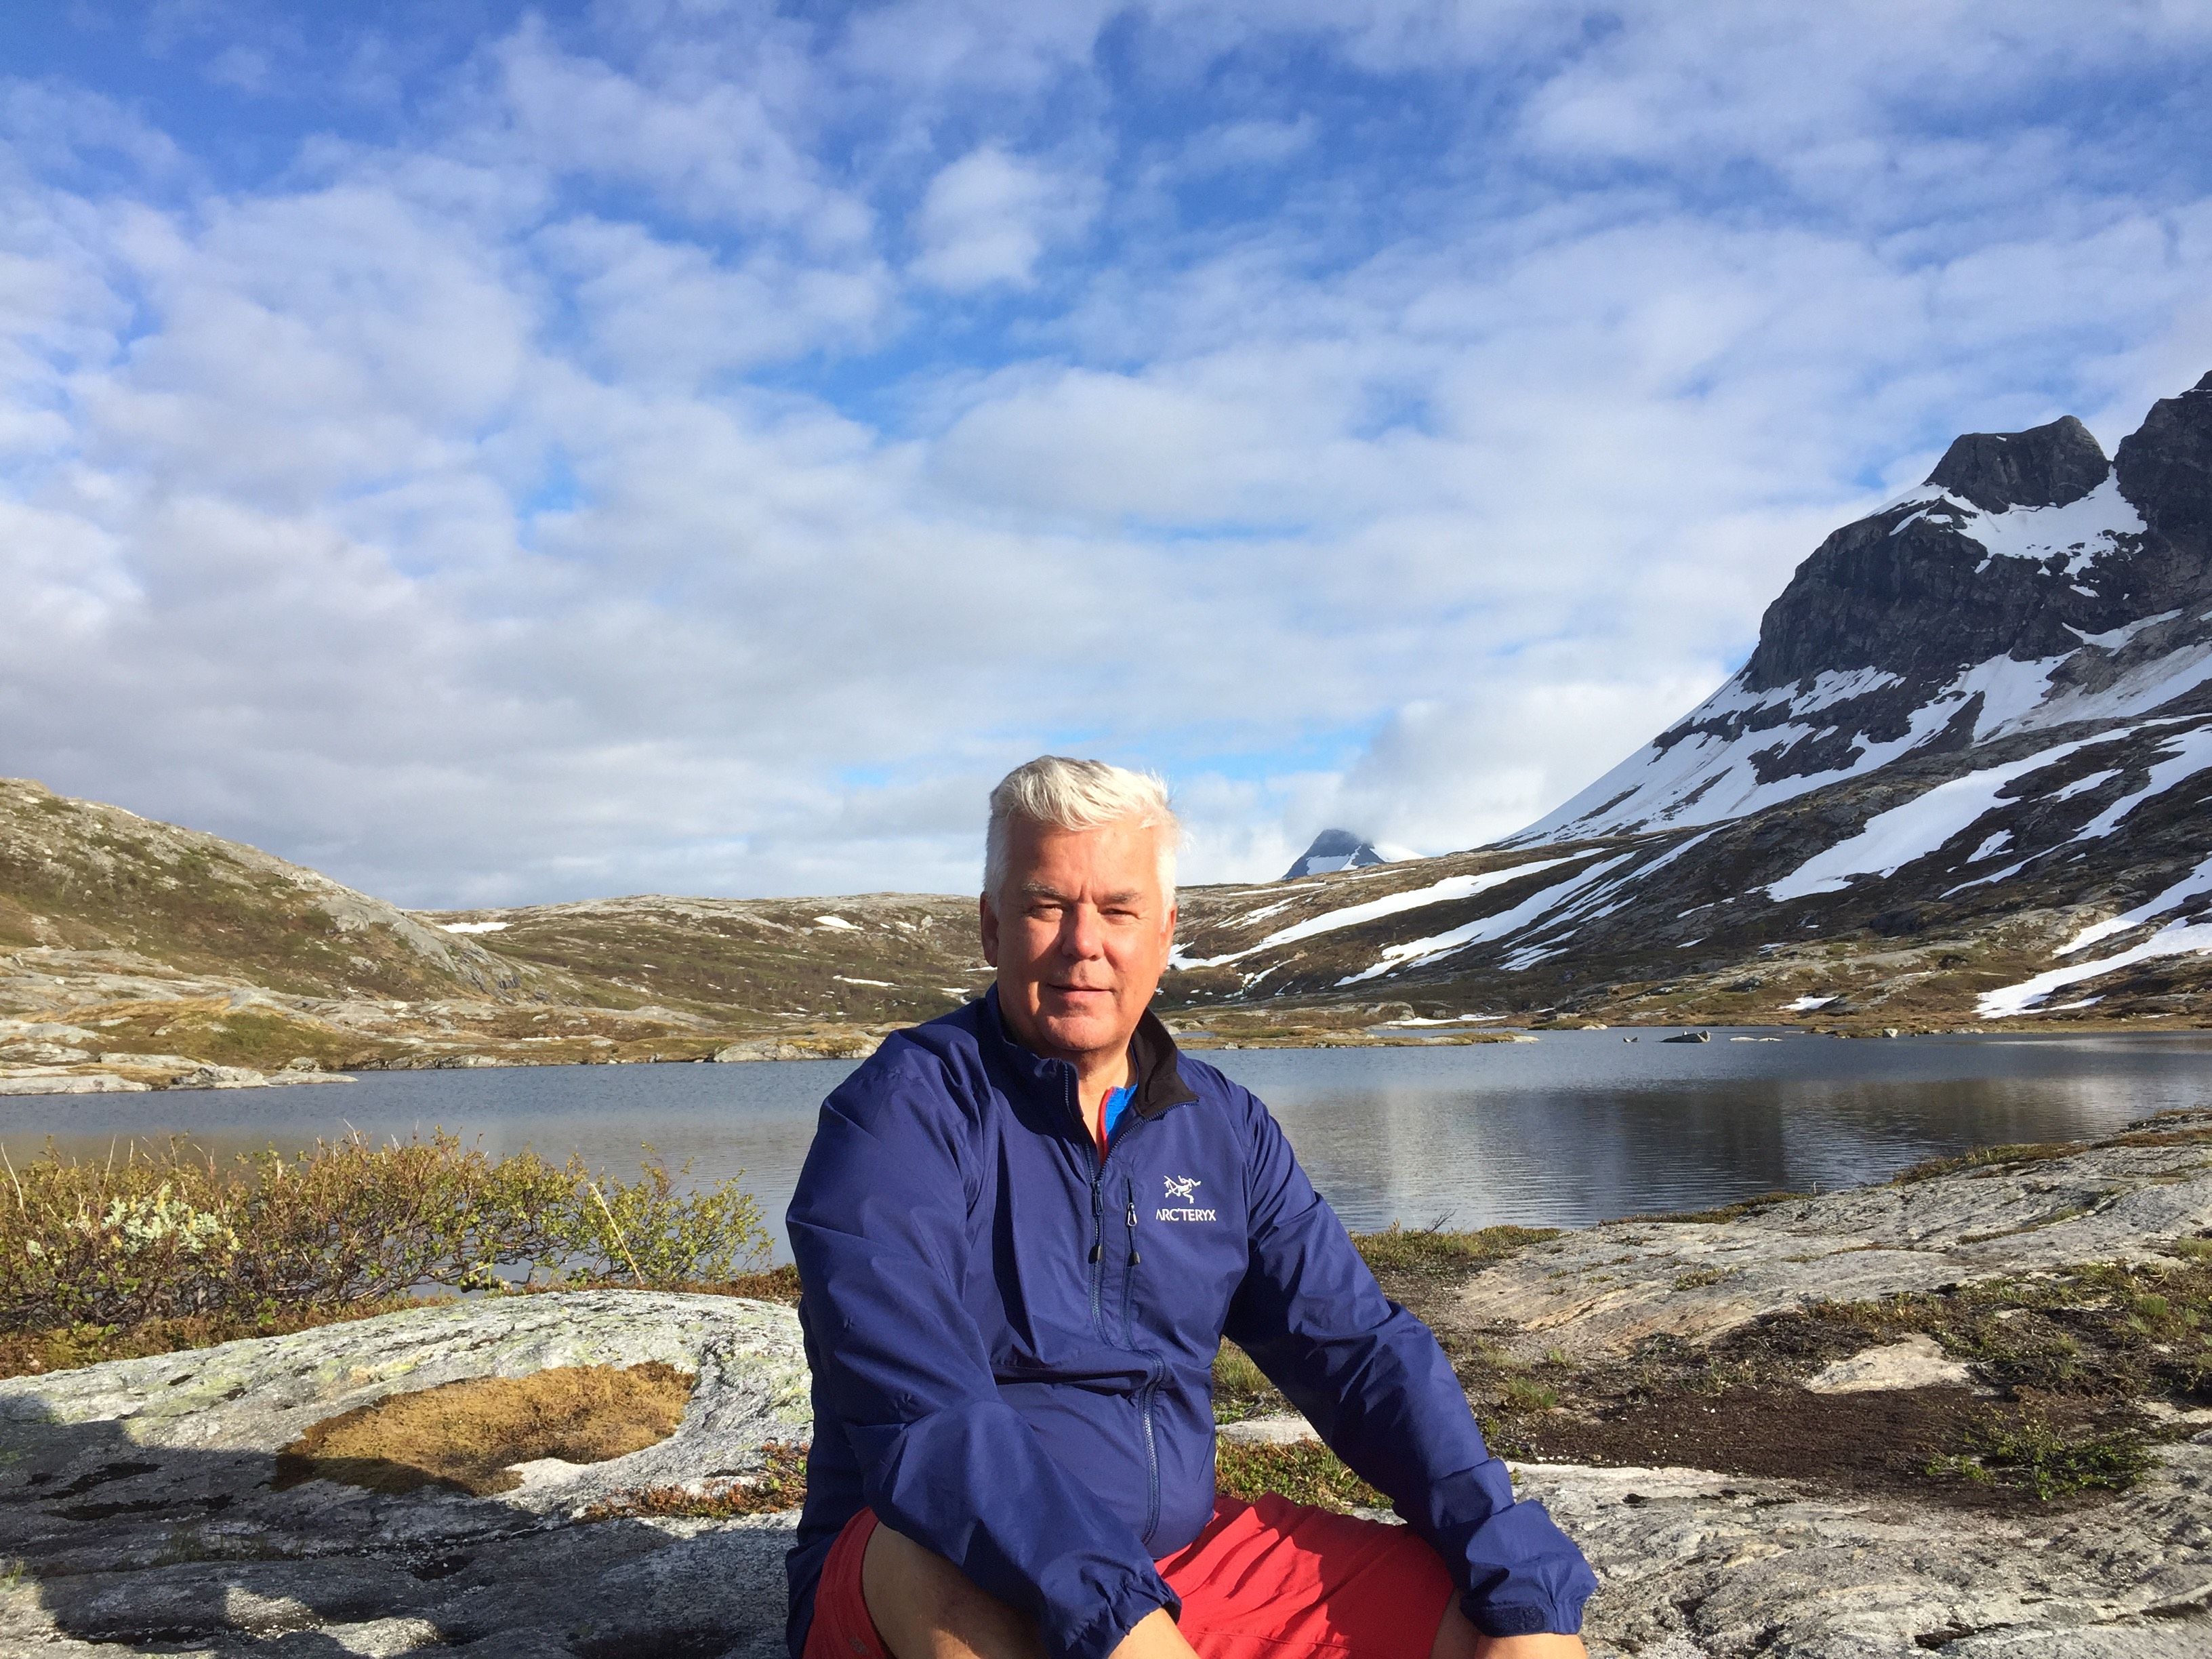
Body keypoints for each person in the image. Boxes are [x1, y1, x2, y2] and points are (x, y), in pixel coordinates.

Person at [785, 757, 1595, 1659]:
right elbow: (928, 1422)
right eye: (1047, 904)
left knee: (1504, 1623)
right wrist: (1114, 1612)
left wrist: (1502, 1546)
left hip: (1176, 1561)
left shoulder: (1224, 1129)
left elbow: (1359, 1354)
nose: (1082, 943)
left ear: (1167, 931)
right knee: (936, 1557)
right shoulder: (898, 1115)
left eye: (1119, 910)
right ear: (992, 927)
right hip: (931, 1567)